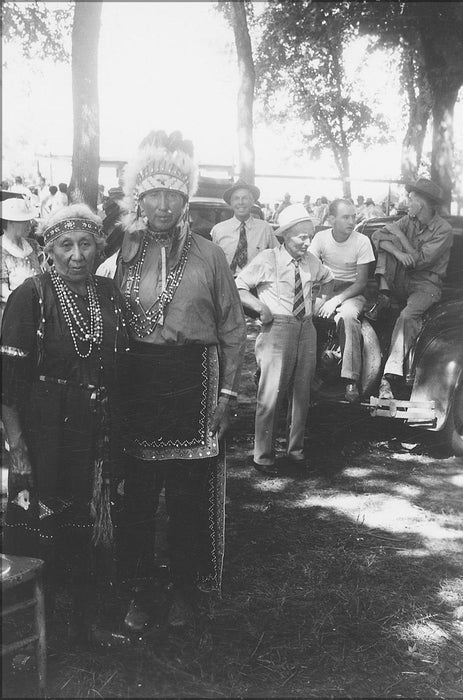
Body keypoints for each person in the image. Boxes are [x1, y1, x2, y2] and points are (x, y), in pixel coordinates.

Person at [114, 130, 246, 631]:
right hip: (140, 384)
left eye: (172, 194)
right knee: (139, 496)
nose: (163, 205)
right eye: (153, 194)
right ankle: (141, 591)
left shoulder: (210, 254)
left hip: (196, 380)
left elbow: (233, 327)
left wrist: (228, 395)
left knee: (189, 494)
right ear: (139, 199)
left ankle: (187, 589)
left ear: (185, 198)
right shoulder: (123, 252)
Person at [1, 203, 128, 642]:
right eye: (66, 245)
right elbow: (8, 386)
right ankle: (40, 625)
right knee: (46, 526)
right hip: (45, 434)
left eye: (86, 244)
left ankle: (85, 620)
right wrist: (18, 451)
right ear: (49, 249)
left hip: (95, 432)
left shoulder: (109, 295)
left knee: (90, 525)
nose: (77, 254)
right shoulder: (30, 295)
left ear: (98, 248)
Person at [236, 204, 334, 475]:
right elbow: (239, 286)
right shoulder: (268, 258)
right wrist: (260, 308)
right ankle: (263, 457)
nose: (307, 242)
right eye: (302, 236)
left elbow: (328, 278)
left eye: (310, 236)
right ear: (286, 235)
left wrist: (321, 301)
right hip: (277, 328)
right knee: (271, 392)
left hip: (306, 328)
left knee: (302, 392)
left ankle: (295, 452)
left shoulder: (311, 261)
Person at [367, 178, 453, 400]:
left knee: (407, 316)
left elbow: (419, 261)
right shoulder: (408, 220)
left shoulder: (443, 229)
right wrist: (398, 253)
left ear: (422, 203)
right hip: (400, 281)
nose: (407, 202)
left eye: (411, 198)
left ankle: (389, 376)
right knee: (386, 250)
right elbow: (378, 236)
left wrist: (401, 237)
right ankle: (384, 295)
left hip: (427, 285)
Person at [309, 198, 375, 403]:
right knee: (305, 315)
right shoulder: (320, 238)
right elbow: (309, 269)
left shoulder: (362, 241)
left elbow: (361, 282)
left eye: (354, 217)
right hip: (325, 286)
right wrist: (319, 297)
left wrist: (335, 301)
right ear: (331, 219)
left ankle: (350, 379)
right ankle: (306, 373)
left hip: (352, 290)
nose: (351, 221)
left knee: (348, 316)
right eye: (345, 217)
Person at [210, 178, 278, 276]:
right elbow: (213, 263)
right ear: (231, 203)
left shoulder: (264, 228)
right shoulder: (218, 230)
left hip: (256, 286)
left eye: (245, 198)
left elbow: (279, 257)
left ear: (252, 202)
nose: (241, 202)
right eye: (236, 198)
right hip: (227, 284)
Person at [1, 196, 43, 324]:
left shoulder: (33, 245)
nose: (29, 225)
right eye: (24, 221)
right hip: (14, 316)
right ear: (10, 223)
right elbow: (3, 292)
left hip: (40, 312)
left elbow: (43, 271)